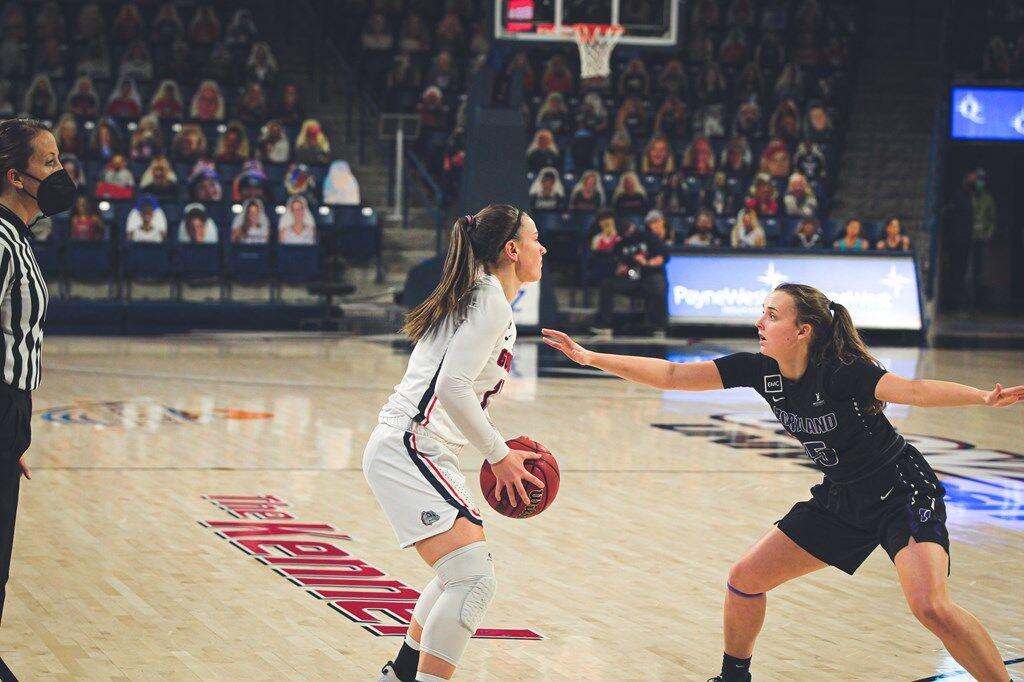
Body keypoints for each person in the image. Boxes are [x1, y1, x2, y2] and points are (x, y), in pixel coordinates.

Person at [541, 282, 1023, 682]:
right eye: (762, 313)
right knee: (744, 581)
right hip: (842, 498)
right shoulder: (760, 370)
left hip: (900, 489)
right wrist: (590, 357)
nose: (760, 323)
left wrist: (982, 397)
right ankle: (734, 678)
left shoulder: (841, 372)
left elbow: (914, 390)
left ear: (802, 331)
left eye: (771, 315)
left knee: (931, 607)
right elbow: (670, 374)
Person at [368, 205, 547, 682]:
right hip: (409, 444)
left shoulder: (485, 297)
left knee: (461, 574)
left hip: (420, 446)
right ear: (512, 250)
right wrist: (500, 455)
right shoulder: (488, 299)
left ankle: (403, 674)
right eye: (535, 239)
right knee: (473, 581)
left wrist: (497, 449)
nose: (542, 247)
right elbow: (451, 387)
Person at [0, 118, 70, 632]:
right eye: (49, 163)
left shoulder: (17, 236)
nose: (61, 172)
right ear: (15, 177)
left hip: (9, 413)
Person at [592, 211, 670, 338]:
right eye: (625, 233)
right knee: (607, 284)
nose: (629, 234)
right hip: (631, 278)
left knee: (658, 284)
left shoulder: (648, 237)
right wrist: (621, 268)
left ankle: (658, 327)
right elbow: (618, 263)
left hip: (650, 275)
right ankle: (605, 325)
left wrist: (647, 262)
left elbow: (663, 257)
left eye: (630, 230)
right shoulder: (620, 244)